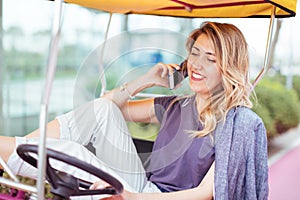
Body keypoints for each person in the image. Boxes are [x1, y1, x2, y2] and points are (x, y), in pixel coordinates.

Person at [0, 21, 269, 200]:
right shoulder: (174, 106)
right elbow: (104, 106)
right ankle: (16, 154)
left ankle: (10, 158)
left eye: (211, 59)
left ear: (229, 67)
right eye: (195, 54)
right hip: (142, 187)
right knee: (104, 109)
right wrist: (147, 80)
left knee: (74, 155)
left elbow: (206, 192)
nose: (198, 65)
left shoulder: (238, 123)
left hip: (154, 197)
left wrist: (131, 197)